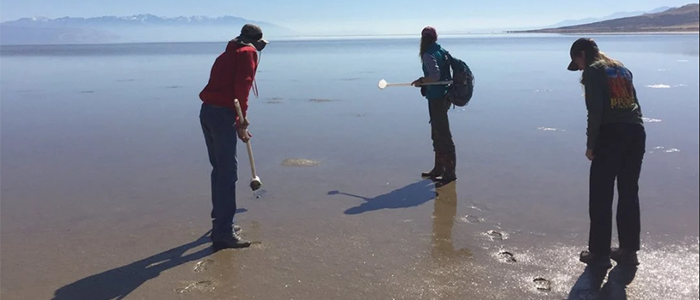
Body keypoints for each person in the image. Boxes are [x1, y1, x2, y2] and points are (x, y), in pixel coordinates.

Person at [567, 38, 646, 267]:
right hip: (635, 132)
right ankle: (629, 252)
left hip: (611, 135)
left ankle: (600, 254)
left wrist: (591, 145)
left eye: (577, 62)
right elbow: (636, 105)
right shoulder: (621, 68)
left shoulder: (593, 71)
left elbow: (596, 111)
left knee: (601, 195)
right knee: (629, 192)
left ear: (582, 54)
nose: (579, 68)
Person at [198, 24, 268, 250]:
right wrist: (241, 122)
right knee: (228, 173)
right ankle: (223, 233)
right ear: (255, 42)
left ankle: (221, 223)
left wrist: (238, 122)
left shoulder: (226, 54)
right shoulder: (248, 53)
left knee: (219, 170)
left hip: (207, 112)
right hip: (223, 114)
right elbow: (242, 89)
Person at [411, 26, 456, 185]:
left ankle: (449, 173)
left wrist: (421, 81)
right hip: (444, 96)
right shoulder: (441, 51)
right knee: (437, 132)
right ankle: (439, 169)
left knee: (442, 134)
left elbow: (435, 76)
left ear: (423, 39)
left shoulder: (428, 53)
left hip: (437, 97)